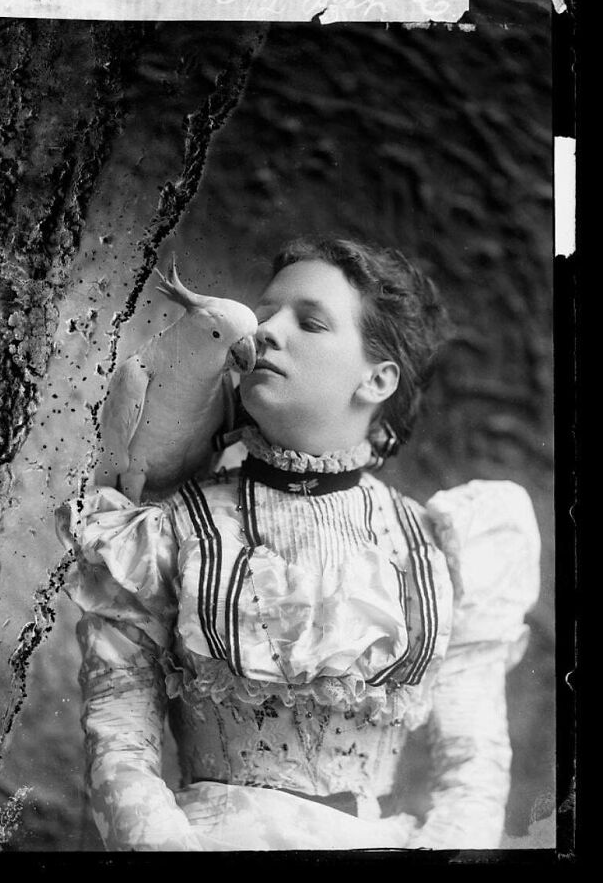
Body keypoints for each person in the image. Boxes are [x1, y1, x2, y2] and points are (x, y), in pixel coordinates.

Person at [59, 237, 541, 851]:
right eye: (264, 315)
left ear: (378, 378)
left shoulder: (437, 547)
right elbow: (119, 739)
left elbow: (473, 766)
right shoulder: (165, 529)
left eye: (309, 321)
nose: (267, 333)